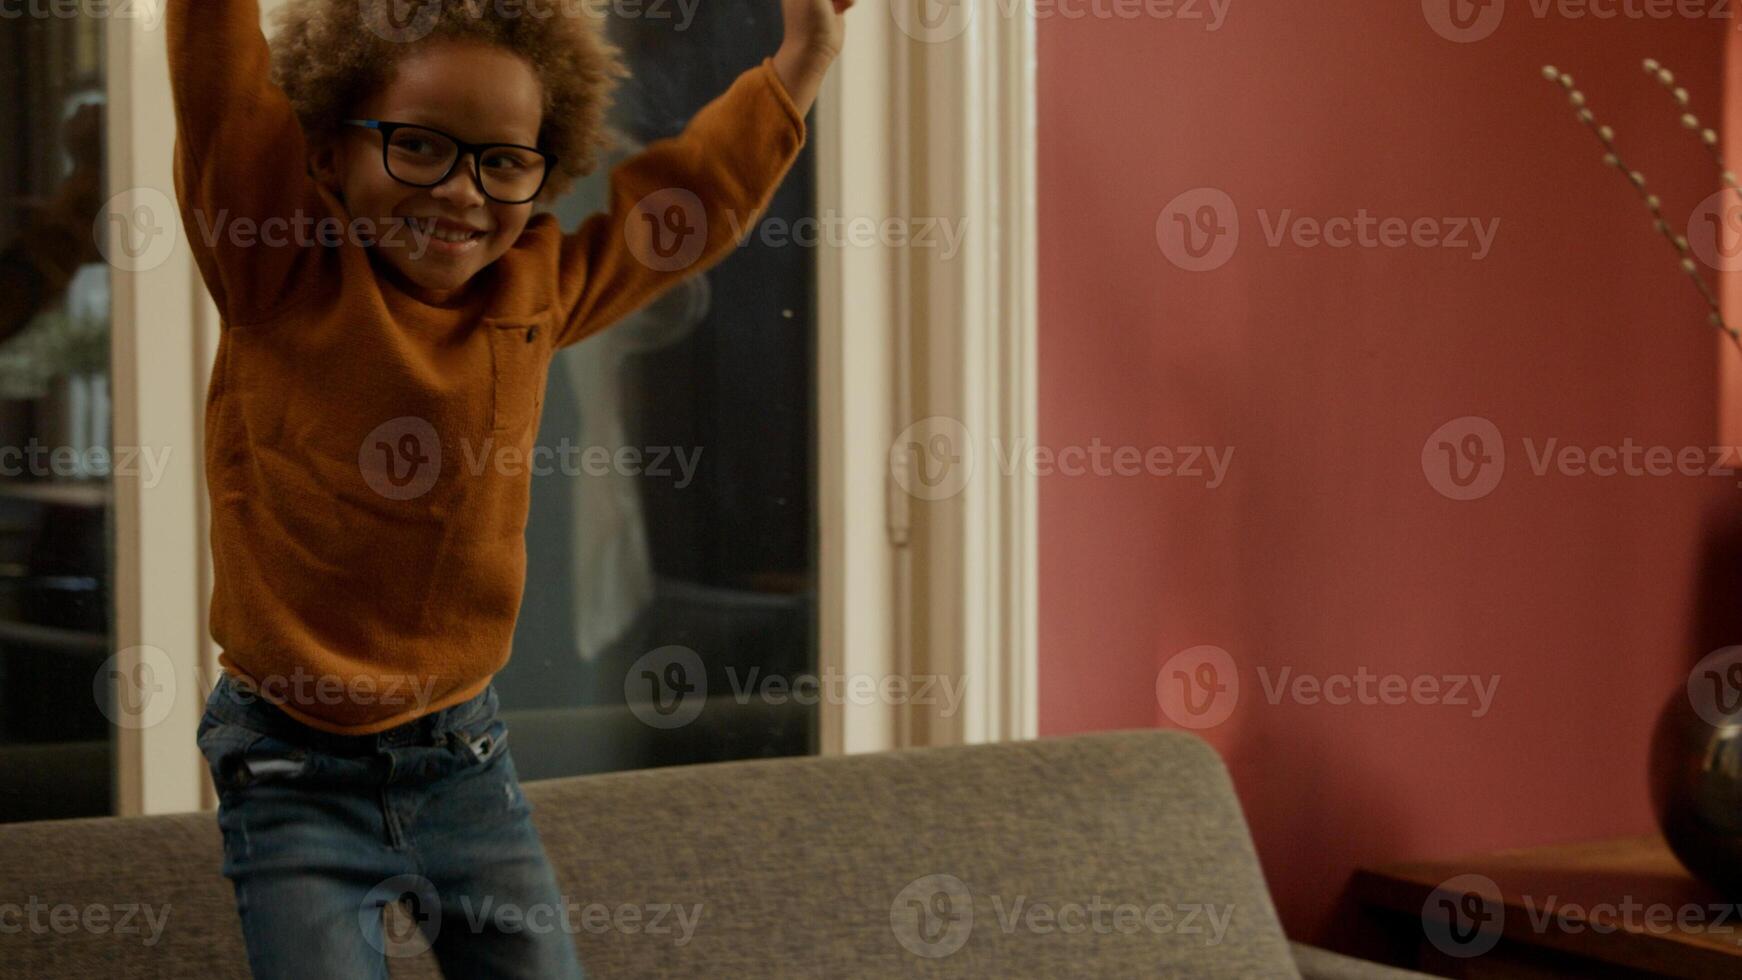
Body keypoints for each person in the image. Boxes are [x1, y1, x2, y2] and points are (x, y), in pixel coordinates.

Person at [168, 1, 850, 976]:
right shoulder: (274, 262)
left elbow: (685, 205)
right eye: (417, 147)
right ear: (324, 150)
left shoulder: (530, 289)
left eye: (501, 162)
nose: (459, 192)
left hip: (464, 760)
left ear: (542, 170)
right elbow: (219, 87)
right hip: (289, 769)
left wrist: (802, 58)